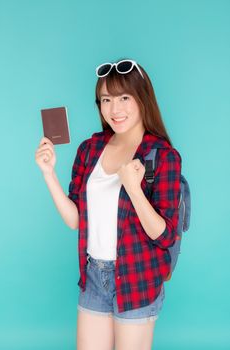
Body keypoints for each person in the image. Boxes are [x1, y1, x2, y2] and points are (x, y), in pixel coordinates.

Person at [35, 58, 182, 350]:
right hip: (94, 276)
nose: (115, 109)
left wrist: (134, 189)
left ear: (142, 98)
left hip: (137, 277)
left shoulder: (162, 156)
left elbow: (164, 235)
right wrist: (48, 174)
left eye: (124, 98)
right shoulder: (89, 150)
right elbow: (77, 220)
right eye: (106, 99)